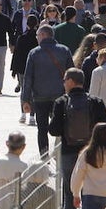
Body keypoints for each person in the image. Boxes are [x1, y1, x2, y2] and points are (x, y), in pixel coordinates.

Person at [47, 68, 106, 209]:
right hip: (91, 152)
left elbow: (53, 130)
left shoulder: (61, 102)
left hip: (68, 152)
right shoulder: (96, 101)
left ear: (71, 82)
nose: (63, 83)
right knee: (88, 190)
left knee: (70, 192)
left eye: (64, 80)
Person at [21, 25, 73, 158]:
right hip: (60, 96)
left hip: (40, 97)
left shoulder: (34, 53)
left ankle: (44, 157)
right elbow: (71, 74)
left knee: (42, 129)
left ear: (43, 35)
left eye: (38, 35)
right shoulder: (64, 50)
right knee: (62, 127)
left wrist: (25, 100)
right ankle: (61, 155)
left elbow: (28, 78)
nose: (37, 38)